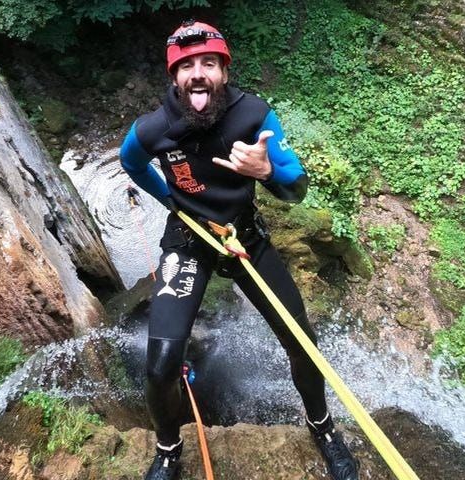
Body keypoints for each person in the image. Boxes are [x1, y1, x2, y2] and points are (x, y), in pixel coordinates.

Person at [119, 19, 359, 480]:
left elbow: (298, 190)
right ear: (174, 78)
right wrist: (169, 199)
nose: (198, 73)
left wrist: (267, 170)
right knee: (161, 363)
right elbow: (130, 162)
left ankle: (322, 426)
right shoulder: (153, 129)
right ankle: (168, 449)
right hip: (189, 240)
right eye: (186, 66)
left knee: (303, 344)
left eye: (209, 63)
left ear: (224, 73)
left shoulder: (254, 117)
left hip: (243, 237)